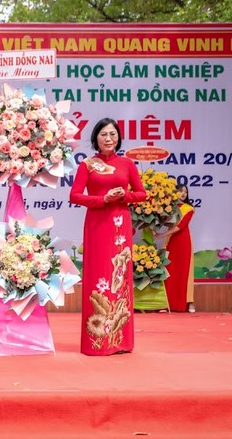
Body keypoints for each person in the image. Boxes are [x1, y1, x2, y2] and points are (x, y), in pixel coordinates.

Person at [69, 118, 147, 356]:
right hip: (97, 224)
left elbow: (141, 194)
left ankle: (120, 341)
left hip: (120, 225)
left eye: (113, 134)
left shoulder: (127, 164)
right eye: (103, 134)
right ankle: (99, 341)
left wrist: (123, 196)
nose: (108, 138)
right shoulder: (87, 165)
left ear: (118, 138)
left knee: (119, 276)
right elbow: (74, 196)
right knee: (99, 275)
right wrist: (103, 199)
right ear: (96, 138)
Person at [156, 184, 196, 313]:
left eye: (185, 192)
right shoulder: (169, 207)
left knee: (184, 272)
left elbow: (180, 227)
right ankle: (166, 304)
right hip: (170, 242)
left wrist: (161, 235)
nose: (183, 194)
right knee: (168, 272)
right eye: (180, 191)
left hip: (183, 242)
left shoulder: (189, 208)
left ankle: (188, 303)